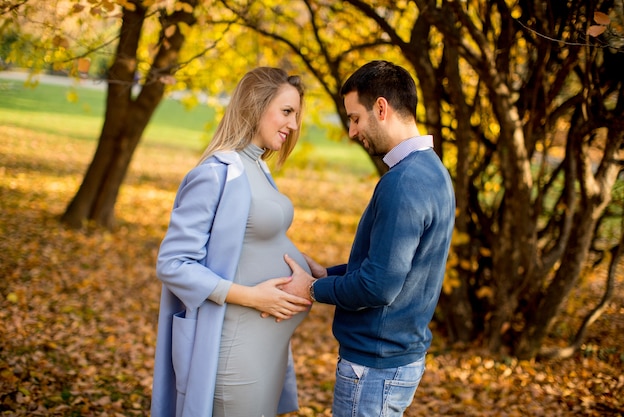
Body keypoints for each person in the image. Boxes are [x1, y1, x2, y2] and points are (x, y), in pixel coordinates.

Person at [282, 60, 456, 416]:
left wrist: (311, 290)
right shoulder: (431, 170)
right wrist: (327, 275)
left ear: (381, 108)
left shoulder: (403, 183)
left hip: (375, 367)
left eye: (355, 118)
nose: (351, 131)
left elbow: (378, 286)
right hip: (392, 360)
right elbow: (390, 265)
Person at [151, 67, 313, 417]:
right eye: (287, 112)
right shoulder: (216, 174)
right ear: (255, 105)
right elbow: (173, 264)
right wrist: (253, 296)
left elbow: (259, 238)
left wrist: (314, 269)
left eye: (296, 115)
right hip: (235, 353)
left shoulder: (259, 169)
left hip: (266, 354)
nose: (294, 125)